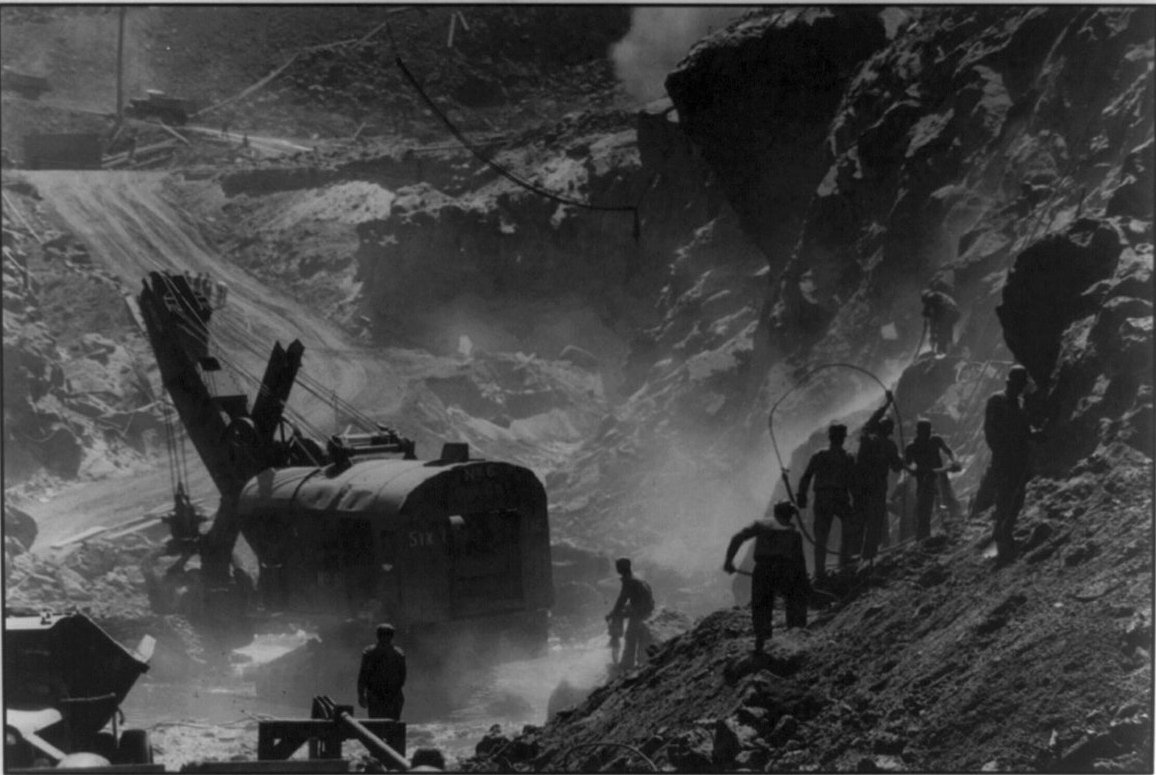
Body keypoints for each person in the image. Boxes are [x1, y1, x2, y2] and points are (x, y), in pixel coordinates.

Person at [723, 501, 810, 652]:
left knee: (761, 605)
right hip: (786, 570)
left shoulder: (761, 525)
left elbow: (737, 538)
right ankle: (795, 637)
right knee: (795, 600)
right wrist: (804, 582)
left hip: (763, 569)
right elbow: (800, 562)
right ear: (789, 515)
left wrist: (729, 561)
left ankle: (762, 641)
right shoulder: (794, 534)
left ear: (776, 512)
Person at [981, 365, 1045, 563]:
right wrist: (1001, 451)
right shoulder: (997, 401)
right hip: (1005, 458)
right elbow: (990, 431)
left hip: (1018, 458)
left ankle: (1005, 533)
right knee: (1005, 496)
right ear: (1012, 383)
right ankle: (1000, 537)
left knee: (1017, 496)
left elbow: (1025, 430)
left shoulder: (1019, 404)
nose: (1020, 388)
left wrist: (1036, 434)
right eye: (1019, 384)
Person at [797, 424, 857, 582]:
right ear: (842, 438)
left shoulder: (820, 455)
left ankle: (820, 571)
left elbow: (806, 477)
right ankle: (843, 561)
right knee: (848, 524)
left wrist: (801, 496)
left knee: (821, 535)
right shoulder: (847, 457)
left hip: (823, 498)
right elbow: (852, 482)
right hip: (839, 497)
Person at [855, 392, 903, 561]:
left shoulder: (866, 438)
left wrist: (886, 404)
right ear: (890, 431)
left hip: (860, 486)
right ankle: (869, 556)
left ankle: (853, 557)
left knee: (860, 519)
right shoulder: (890, 445)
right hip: (878, 487)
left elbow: (870, 422)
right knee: (875, 521)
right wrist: (901, 459)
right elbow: (897, 467)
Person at [904, 419, 958, 541]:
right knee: (924, 512)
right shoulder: (912, 447)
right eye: (925, 432)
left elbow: (949, 451)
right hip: (924, 481)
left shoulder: (935, 440)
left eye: (929, 431)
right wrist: (911, 468)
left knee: (948, 503)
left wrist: (954, 461)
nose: (928, 434)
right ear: (919, 432)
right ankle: (923, 538)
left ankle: (949, 533)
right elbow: (909, 465)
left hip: (939, 478)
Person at [605, 558, 654, 671]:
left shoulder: (629, 581)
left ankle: (626, 665)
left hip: (639, 612)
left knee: (630, 637)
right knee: (637, 637)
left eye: (618, 567)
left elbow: (621, 600)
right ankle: (638, 662)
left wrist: (613, 614)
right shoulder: (638, 577)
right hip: (646, 609)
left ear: (621, 568)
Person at [358, 623, 406, 720]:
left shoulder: (369, 652)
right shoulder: (399, 653)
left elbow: (363, 675)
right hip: (392, 695)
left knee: (377, 725)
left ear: (377, 635)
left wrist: (361, 694)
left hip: (376, 695)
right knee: (392, 725)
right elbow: (402, 677)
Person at [921, 289, 960, 355]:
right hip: (954, 313)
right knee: (947, 331)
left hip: (948, 313)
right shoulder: (939, 296)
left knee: (942, 330)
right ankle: (947, 350)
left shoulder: (931, 296)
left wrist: (926, 312)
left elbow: (932, 316)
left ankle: (943, 350)